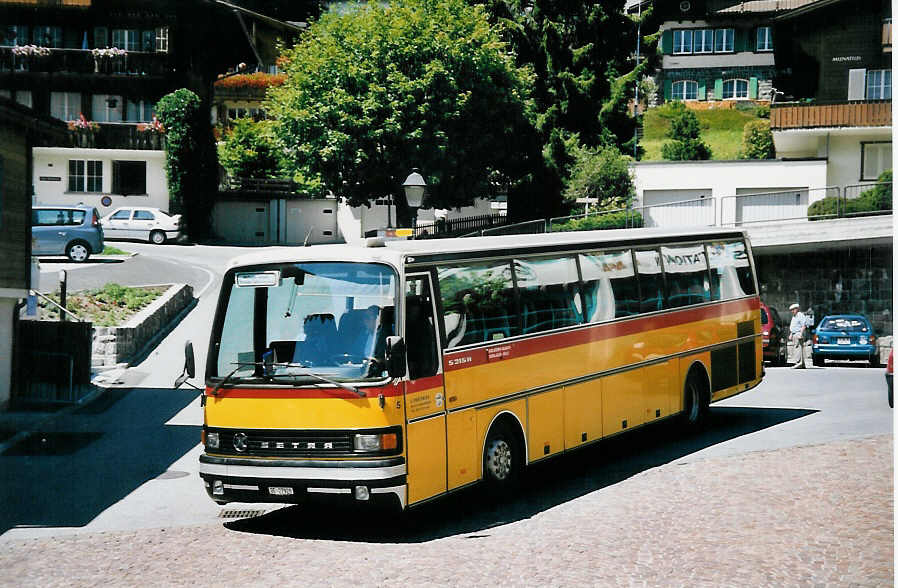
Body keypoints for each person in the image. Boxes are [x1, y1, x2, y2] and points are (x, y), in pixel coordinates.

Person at [788, 303, 810, 369]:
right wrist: (791, 334)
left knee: (798, 348)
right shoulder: (794, 316)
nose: (792, 311)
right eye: (791, 310)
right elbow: (794, 326)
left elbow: (804, 325)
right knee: (797, 348)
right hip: (795, 333)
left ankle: (798, 363)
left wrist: (801, 333)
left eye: (793, 310)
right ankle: (802, 364)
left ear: (797, 309)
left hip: (798, 333)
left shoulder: (800, 315)